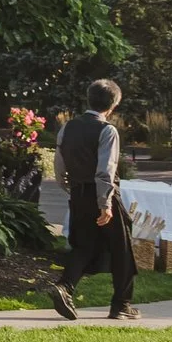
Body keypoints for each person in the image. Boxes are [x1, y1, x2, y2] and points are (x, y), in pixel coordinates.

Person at [51, 77, 139, 321]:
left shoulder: (68, 127)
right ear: (113, 106)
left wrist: (69, 188)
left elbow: (59, 165)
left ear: (88, 99)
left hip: (78, 193)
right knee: (122, 249)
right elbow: (105, 170)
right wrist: (105, 204)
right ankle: (121, 304)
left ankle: (64, 286)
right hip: (102, 196)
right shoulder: (107, 130)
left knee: (84, 245)